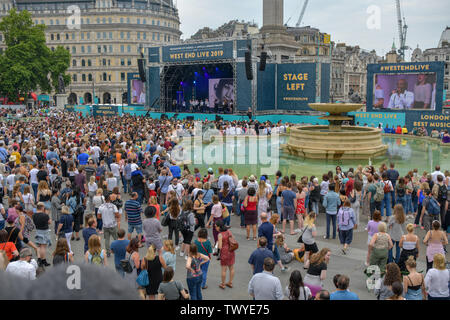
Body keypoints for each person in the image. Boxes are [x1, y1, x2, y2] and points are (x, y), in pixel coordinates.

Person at [216, 219, 235, 289]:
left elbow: (220, 246)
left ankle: (223, 284)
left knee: (224, 269)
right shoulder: (228, 231)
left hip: (224, 252)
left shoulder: (220, 235)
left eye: (216, 226)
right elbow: (233, 239)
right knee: (231, 268)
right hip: (231, 251)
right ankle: (230, 282)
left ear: (219, 227)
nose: (215, 228)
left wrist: (217, 249)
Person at [33, 202, 52, 267]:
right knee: (43, 246)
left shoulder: (34, 215)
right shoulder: (45, 215)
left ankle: (39, 259)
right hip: (44, 231)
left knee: (39, 246)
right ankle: (43, 260)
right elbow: (50, 222)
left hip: (38, 230)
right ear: (42, 207)